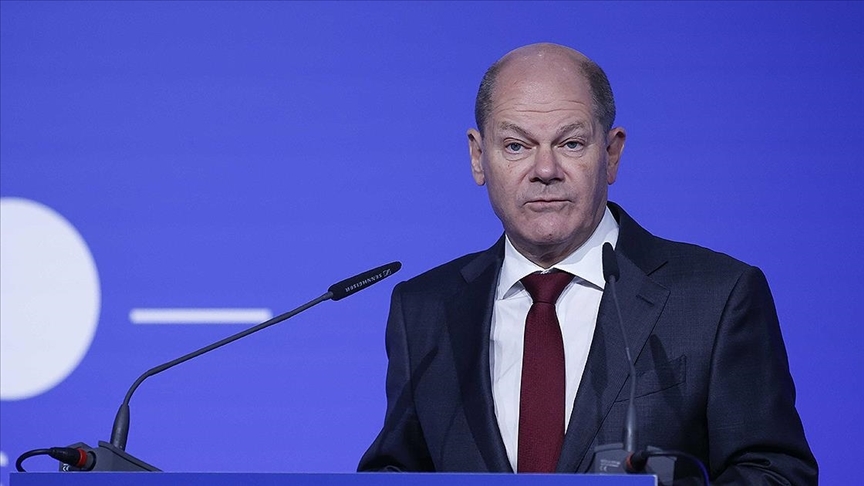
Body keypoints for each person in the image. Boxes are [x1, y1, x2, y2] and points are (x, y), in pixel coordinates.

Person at [357, 43, 817, 484]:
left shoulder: (717, 297)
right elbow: (395, 471)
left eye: (571, 143)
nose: (545, 170)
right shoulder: (424, 310)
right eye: (516, 146)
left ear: (611, 154)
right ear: (478, 157)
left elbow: (774, 472)